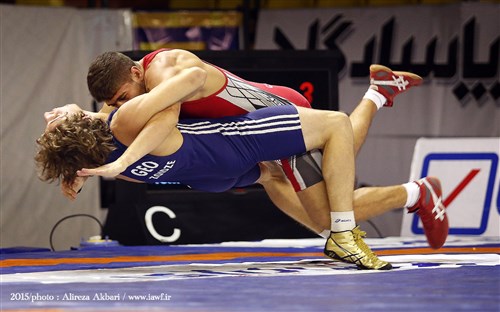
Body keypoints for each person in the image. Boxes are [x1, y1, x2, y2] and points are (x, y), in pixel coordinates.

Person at [78, 49, 448, 249]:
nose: (120, 107)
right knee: (320, 214)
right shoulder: (137, 84)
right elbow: (114, 114)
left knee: (330, 208)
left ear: (136, 74)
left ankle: (415, 189)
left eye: (122, 99)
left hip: (277, 115)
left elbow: (163, 123)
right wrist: (80, 114)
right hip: (257, 137)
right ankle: (379, 93)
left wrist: (124, 160)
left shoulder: (165, 69)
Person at [36, 69, 392, 270]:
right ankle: (344, 233)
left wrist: (77, 170)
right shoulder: (123, 122)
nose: (50, 114)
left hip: (209, 179)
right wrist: (125, 155)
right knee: (335, 126)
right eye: (54, 120)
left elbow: (94, 139)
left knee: (296, 185)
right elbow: (189, 81)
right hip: (233, 143)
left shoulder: (95, 163)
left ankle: (399, 192)